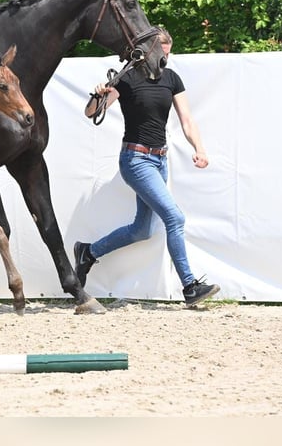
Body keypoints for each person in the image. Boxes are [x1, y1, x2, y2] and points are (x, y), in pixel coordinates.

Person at [74, 27, 220, 306]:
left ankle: (88, 253)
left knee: (142, 230)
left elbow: (187, 121)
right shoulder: (127, 78)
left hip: (159, 160)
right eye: (161, 54)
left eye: (168, 54)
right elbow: (92, 112)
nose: (164, 60)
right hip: (135, 160)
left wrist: (199, 148)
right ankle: (190, 287)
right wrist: (97, 95)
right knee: (175, 218)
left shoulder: (172, 79)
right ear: (148, 52)